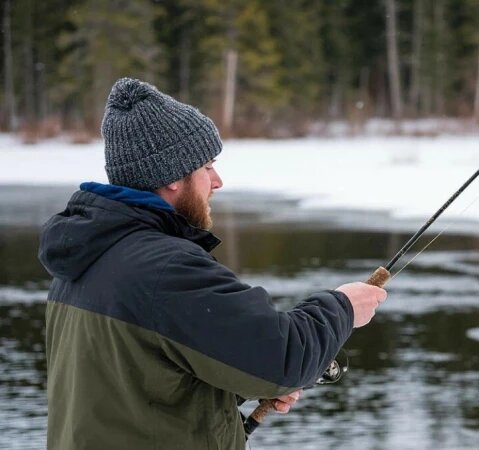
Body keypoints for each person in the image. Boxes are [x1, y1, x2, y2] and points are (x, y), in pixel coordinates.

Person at [37, 77, 387, 450]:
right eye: (206, 166)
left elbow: (136, 385)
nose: (217, 181)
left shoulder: (83, 262)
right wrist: (343, 306)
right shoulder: (165, 269)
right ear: (172, 177)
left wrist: (236, 393)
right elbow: (285, 358)